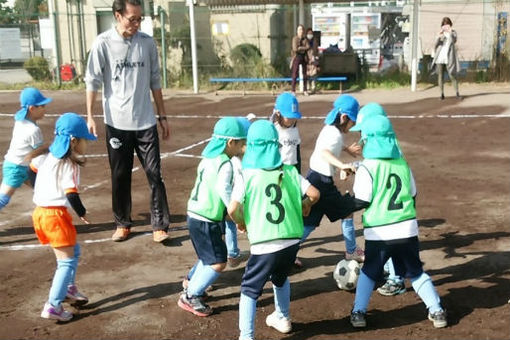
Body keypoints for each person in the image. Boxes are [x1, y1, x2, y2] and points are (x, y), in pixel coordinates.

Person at [348, 113, 447, 329]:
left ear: (370, 140)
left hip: (379, 232)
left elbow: (361, 201)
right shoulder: (402, 164)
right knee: (416, 271)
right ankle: (437, 310)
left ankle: (358, 312)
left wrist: (341, 207)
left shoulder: (367, 167)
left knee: (369, 272)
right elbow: (412, 194)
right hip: (407, 229)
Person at [85, 0, 171, 243]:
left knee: (155, 173)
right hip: (117, 123)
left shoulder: (146, 43)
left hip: (145, 122)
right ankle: (123, 223)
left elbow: (155, 81)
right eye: (132, 18)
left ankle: (159, 225)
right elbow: (92, 81)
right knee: (120, 175)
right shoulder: (103, 43)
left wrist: (162, 116)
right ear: (118, 15)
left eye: (139, 19)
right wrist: (91, 116)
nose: (136, 23)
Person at [228, 119, 320, 340]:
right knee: (280, 277)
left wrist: (242, 221)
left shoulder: (247, 174)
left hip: (264, 243)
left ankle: (246, 336)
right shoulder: (289, 171)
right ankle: (282, 317)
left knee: (249, 289)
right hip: (290, 241)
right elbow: (315, 194)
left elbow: (232, 209)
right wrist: (305, 205)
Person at [32, 113, 97, 322]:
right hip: (55, 217)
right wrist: (83, 213)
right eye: (85, 140)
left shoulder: (46, 157)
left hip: (40, 214)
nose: (87, 144)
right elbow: (71, 194)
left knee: (73, 251)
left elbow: (31, 170)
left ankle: (68, 289)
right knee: (66, 262)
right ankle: (53, 305)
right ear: (73, 141)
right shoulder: (70, 164)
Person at [178, 117, 247, 317]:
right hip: (206, 218)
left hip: (195, 215)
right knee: (218, 262)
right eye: (240, 143)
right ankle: (190, 295)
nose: (242, 147)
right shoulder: (225, 163)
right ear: (230, 143)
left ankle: (192, 285)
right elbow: (223, 189)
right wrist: (235, 213)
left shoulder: (208, 158)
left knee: (207, 257)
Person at [298, 94, 364, 267]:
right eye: (352, 121)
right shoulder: (335, 135)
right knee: (347, 210)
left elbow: (331, 145)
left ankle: (287, 250)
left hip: (313, 177)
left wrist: (346, 149)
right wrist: (342, 165)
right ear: (344, 117)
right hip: (323, 183)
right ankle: (351, 251)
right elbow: (324, 152)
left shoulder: (330, 128)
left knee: (310, 222)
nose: (353, 125)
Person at [353, 102, 406, 296]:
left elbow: (380, 169)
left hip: (389, 209)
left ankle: (396, 279)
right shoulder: (388, 144)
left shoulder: (391, 150)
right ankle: (391, 272)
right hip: (391, 206)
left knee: (390, 241)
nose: (360, 137)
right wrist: (357, 165)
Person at [0, 87, 51, 212]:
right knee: (3, 199)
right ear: (32, 109)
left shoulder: (21, 121)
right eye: (42, 106)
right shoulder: (33, 130)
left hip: (22, 167)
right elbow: (39, 154)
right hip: (16, 169)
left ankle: (50, 216)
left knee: (44, 189)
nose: (45, 109)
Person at [224, 115, 255, 268]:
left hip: (230, 200)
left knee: (229, 226)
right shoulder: (238, 161)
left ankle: (232, 253)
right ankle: (233, 253)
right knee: (243, 224)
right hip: (236, 200)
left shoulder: (231, 157)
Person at [269, 92, 302, 174]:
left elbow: (297, 154)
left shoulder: (294, 130)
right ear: (278, 113)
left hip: (292, 170)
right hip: (278, 171)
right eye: (289, 117)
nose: (292, 120)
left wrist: (298, 173)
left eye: (294, 117)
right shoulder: (273, 131)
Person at [432, 17, 461, 100]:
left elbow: (454, 41)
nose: (445, 26)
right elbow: (435, 44)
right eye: (444, 24)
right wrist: (438, 35)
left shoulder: (453, 33)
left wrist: (450, 32)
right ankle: (441, 94)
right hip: (440, 57)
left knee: (452, 75)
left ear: (450, 24)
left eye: (447, 24)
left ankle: (457, 93)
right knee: (440, 75)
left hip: (449, 57)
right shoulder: (440, 33)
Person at [290, 24, 310, 96]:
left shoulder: (305, 39)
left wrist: (300, 48)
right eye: (299, 29)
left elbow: (308, 47)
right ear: (297, 31)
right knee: (295, 73)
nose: (300, 31)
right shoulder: (294, 38)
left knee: (305, 74)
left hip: (304, 57)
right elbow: (295, 49)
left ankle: (305, 90)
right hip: (296, 56)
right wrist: (303, 48)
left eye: (301, 29)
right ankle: (293, 90)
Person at [305, 28, 320, 94]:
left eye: (311, 34)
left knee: (314, 74)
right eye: (308, 34)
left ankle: (313, 88)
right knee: (306, 74)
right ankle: (307, 88)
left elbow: (317, 53)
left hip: (313, 60)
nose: (310, 35)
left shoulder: (315, 42)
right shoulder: (304, 41)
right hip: (306, 60)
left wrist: (317, 62)